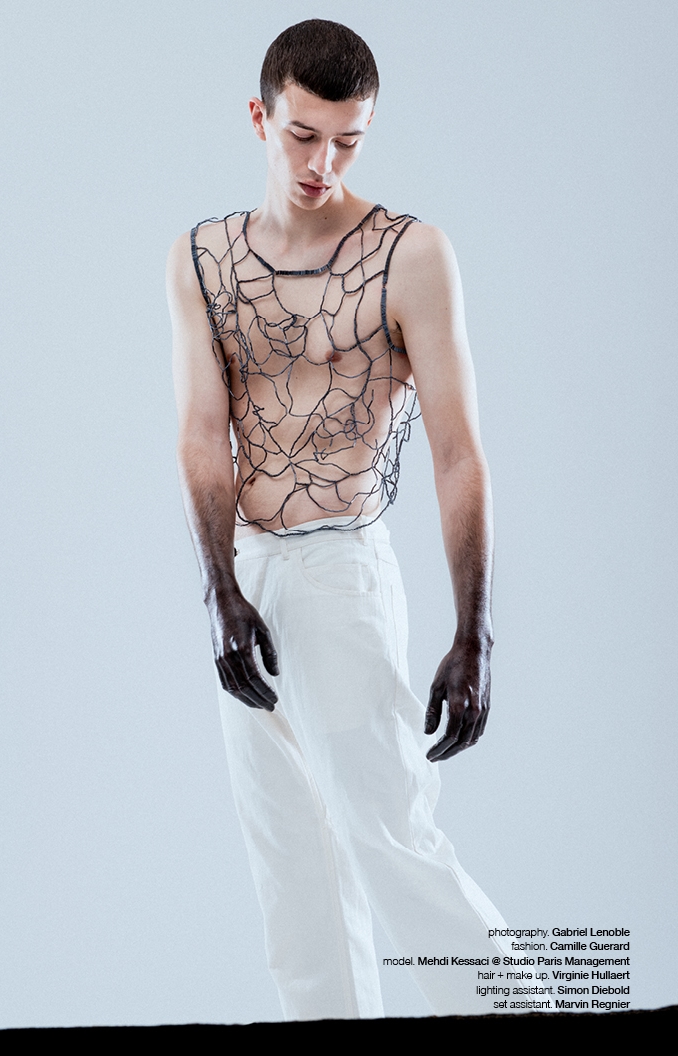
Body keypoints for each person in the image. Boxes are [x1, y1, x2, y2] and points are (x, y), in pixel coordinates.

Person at [167, 19, 509, 1021]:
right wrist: (220, 592)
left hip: (343, 571)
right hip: (250, 574)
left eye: (348, 142)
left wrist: (475, 631)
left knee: (392, 844)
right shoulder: (201, 260)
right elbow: (201, 435)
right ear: (259, 117)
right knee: (294, 883)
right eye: (303, 136)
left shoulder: (410, 256)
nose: (323, 164)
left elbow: (458, 453)